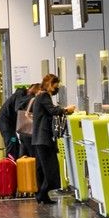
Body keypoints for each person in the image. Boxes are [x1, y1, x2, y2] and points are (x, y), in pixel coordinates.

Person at [32, 74, 75, 205]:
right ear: (50, 84)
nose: (57, 88)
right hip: (44, 139)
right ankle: (41, 194)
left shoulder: (40, 96)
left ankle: (43, 196)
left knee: (44, 169)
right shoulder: (44, 96)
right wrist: (66, 110)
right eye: (56, 85)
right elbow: (52, 110)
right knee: (51, 169)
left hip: (39, 139)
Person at [0, 86, 27, 158]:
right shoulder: (20, 94)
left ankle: (14, 162)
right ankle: (9, 163)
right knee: (11, 142)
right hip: (6, 125)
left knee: (14, 142)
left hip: (7, 125)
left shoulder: (17, 95)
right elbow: (17, 108)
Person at [16, 83, 41, 158]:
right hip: (31, 133)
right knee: (34, 156)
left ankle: (22, 170)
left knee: (23, 156)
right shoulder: (34, 100)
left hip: (23, 131)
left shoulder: (24, 98)